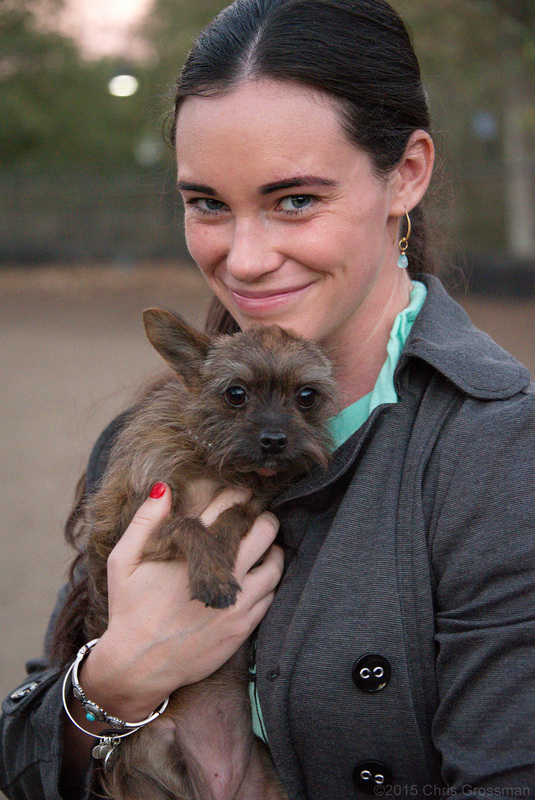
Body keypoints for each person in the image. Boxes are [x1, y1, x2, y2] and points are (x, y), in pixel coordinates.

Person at [2, 0, 535, 797]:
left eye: (294, 200)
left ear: (406, 175)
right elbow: (26, 760)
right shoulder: (150, 432)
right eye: (207, 203)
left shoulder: (494, 449)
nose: (243, 261)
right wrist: (112, 683)